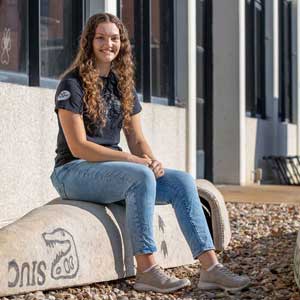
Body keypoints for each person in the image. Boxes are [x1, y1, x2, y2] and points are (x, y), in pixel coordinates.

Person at [50, 12, 250, 294]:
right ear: (88, 42)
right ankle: (147, 271)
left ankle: (210, 268)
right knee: (139, 175)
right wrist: (134, 161)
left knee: (181, 181)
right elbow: (79, 146)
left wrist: (153, 161)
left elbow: (137, 138)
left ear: (122, 43)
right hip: (73, 171)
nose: (109, 44)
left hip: (114, 171)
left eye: (114, 38)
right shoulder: (72, 83)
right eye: (101, 38)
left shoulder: (122, 85)